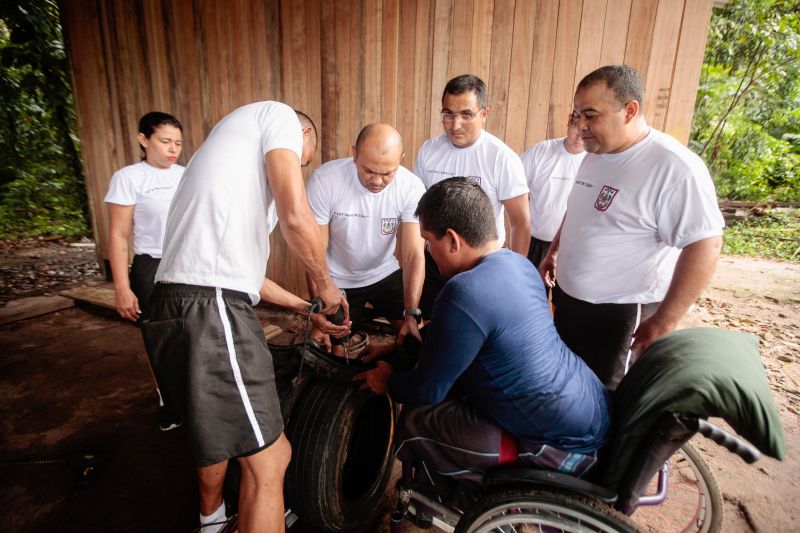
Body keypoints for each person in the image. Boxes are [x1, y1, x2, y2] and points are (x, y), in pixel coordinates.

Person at [142, 101, 349, 533]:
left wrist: (303, 309)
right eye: (302, 160)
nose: (298, 165)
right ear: (304, 137)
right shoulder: (278, 118)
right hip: (209, 306)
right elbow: (297, 216)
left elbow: (248, 278)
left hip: (175, 303)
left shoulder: (222, 161)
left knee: (214, 434)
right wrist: (325, 287)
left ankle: (212, 521)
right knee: (272, 460)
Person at [355, 177, 609, 488]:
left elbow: (427, 390)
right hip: (590, 409)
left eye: (428, 240)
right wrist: (398, 352)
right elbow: (461, 335)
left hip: (563, 445)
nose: (427, 250)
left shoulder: (464, 291)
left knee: (417, 417)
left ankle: (452, 491)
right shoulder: (520, 264)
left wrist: (387, 380)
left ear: (452, 240)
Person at [539, 65, 724, 389]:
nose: (581, 126)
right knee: (569, 387)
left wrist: (666, 320)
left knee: (607, 398)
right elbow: (577, 210)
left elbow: (705, 243)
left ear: (630, 111)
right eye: (577, 115)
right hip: (571, 302)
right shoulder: (596, 153)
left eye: (591, 116)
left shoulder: (674, 167)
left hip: (621, 315)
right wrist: (554, 251)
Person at [413, 74, 531, 317]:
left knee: (474, 330)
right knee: (433, 323)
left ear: (484, 113)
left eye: (466, 115)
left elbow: (520, 222)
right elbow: (419, 209)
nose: (455, 125)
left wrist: (513, 276)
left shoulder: (502, 158)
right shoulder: (429, 150)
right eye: (448, 114)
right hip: (435, 260)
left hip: (480, 266)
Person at [305, 123, 426, 355]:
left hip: (384, 273)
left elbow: (413, 255)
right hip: (337, 280)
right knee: (326, 346)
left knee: (415, 338)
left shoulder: (411, 187)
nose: (377, 181)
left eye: (387, 173)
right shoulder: (325, 180)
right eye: (369, 170)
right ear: (354, 155)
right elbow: (314, 252)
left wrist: (412, 312)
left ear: (400, 159)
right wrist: (320, 311)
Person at [104, 111, 184, 431]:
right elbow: (119, 236)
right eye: (165, 141)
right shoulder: (129, 177)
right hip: (151, 267)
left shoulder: (187, 175)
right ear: (143, 139)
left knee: (190, 336)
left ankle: (196, 400)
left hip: (187, 263)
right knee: (159, 340)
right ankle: (170, 403)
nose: (172, 149)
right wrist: (122, 288)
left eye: (178, 142)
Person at [521, 114, 585, 268]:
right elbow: (513, 186)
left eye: (585, 131)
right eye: (576, 127)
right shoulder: (541, 151)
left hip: (572, 247)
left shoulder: (595, 160)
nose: (579, 137)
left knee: (564, 292)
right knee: (531, 291)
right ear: (569, 123)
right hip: (535, 242)